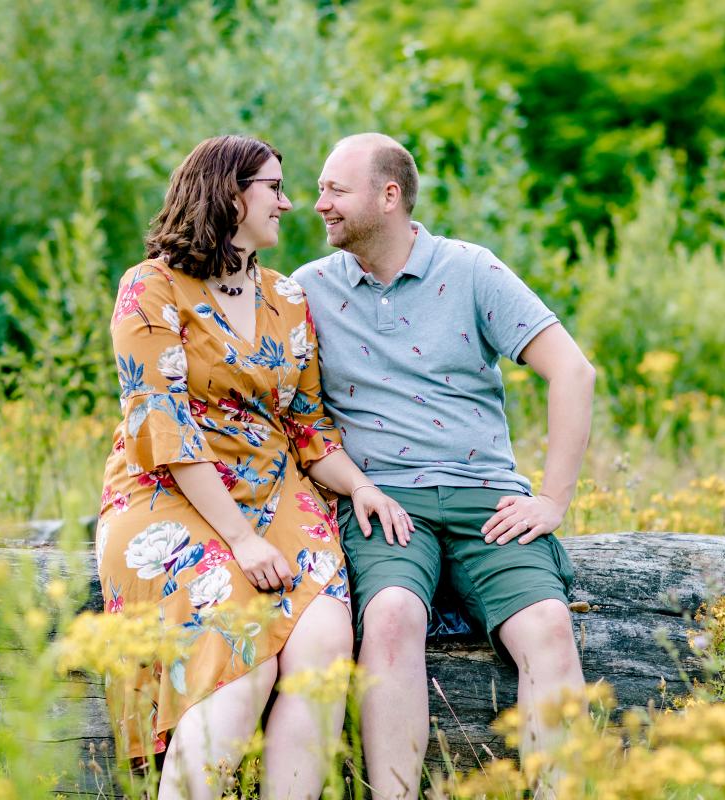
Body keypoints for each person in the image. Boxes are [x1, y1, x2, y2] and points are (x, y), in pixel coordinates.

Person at [95, 134, 412, 800]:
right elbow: (164, 425)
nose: (291, 203)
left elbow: (306, 425)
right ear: (229, 192)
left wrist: (360, 487)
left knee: (324, 646)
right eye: (275, 187)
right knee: (245, 662)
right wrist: (240, 539)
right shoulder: (149, 288)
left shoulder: (287, 299)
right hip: (170, 494)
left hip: (277, 491)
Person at [293, 132, 596, 799]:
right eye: (320, 190)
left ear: (389, 195)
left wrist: (551, 501)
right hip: (384, 501)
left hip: (486, 498)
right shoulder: (306, 291)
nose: (319, 205)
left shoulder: (471, 270)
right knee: (394, 615)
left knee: (549, 625)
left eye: (334, 190)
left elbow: (573, 371)